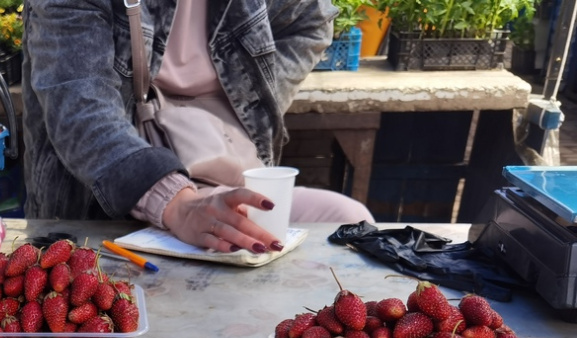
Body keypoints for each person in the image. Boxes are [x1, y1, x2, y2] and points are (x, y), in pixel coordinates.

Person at [22, 0, 374, 254]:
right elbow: (79, 107)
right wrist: (177, 204)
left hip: (227, 176)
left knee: (348, 223)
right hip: (109, 202)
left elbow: (311, 20)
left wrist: (248, 99)